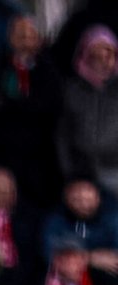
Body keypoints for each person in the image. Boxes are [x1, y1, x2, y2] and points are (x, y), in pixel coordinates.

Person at [0, 15, 63, 211]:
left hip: (41, 162)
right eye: (19, 34)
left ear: (38, 39)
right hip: (4, 159)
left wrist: (13, 104)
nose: (24, 40)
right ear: (9, 38)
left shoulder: (50, 72)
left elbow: (50, 110)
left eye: (29, 34)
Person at [59, 26, 118, 201]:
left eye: (108, 54)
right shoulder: (72, 90)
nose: (102, 60)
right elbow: (62, 134)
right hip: (81, 174)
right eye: (96, 55)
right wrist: (69, 171)